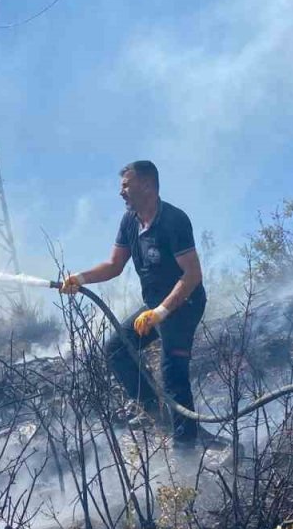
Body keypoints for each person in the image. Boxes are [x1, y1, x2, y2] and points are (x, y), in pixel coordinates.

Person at [60, 160, 208, 447]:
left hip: (183, 304)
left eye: (126, 185)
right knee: (117, 349)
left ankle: (186, 450)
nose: (121, 193)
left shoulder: (174, 221)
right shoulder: (130, 221)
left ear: (148, 186)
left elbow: (192, 275)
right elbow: (114, 265)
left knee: (173, 372)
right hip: (154, 308)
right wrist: (79, 278)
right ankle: (157, 413)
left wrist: (161, 312)